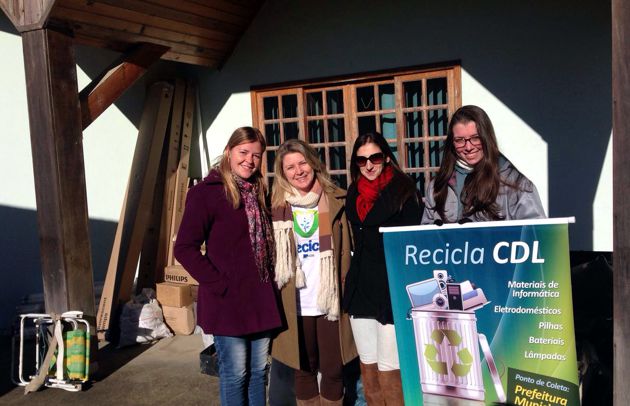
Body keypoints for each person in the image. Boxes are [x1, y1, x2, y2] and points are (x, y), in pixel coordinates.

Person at [174, 127, 281, 406]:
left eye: (256, 155)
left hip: (260, 300)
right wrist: (219, 284)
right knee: (235, 375)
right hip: (228, 303)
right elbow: (184, 248)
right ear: (228, 151)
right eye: (243, 152)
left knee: (258, 373)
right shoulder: (206, 193)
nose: (249, 160)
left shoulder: (259, 191)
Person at [270, 139, 358, 406]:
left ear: (313, 163)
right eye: (290, 167)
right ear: (282, 173)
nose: (298, 171)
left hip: (329, 300)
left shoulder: (336, 200)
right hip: (295, 302)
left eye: (303, 163)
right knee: (303, 370)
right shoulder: (275, 207)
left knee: (333, 369)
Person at [343, 132, 423, 405]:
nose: (368, 165)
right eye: (361, 159)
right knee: (369, 367)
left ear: (387, 157)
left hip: (392, 289)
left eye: (375, 157)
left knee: (391, 368)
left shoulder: (405, 191)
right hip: (361, 288)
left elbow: (413, 246)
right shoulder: (354, 191)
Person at [422, 105, 546, 224]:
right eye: (459, 140)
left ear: (487, 138)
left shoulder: (517, 185)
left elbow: (537, 233)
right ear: (452, 143)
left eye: (475, 138)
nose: (468, 147)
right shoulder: (437, 187)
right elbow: (425, 234)